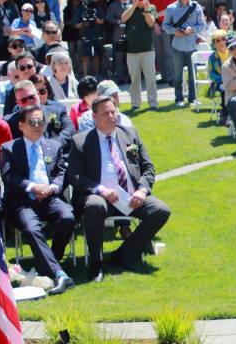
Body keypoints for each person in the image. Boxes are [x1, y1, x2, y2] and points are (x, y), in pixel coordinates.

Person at [66, 95, 171, 279]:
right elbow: (75, 176)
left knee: (161, 210)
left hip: (131, 196)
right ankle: (96, 263)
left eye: (113, 112)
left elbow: (148, 167)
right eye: (105, 113)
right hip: (99, 196)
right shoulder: (81, 141)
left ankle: (126, 253)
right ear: (94, 117)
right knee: (95, 206)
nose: (111, 116)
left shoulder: (130, 134)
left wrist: (142, 190)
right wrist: (101, 190)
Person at [1, 105, 76, 295]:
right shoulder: (10, 148)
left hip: (50, 197)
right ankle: (60, 275)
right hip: (24, 200)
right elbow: (9, 177)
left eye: (41, 122)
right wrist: (32, 186)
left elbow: (62, 172)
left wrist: (53, 187)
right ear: (21, 125)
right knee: (32, 229)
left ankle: (50, 264)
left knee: (67, 217)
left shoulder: (54, 145)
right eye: (32, 122)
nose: (37, 126)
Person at [163, 0, 206, 107]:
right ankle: (179, 99)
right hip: (177, 46)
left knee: (193, 75)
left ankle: (192, 99)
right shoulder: (171, 8)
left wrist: (192, 29)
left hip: (192, 46)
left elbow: (202, 25)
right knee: (177, 75)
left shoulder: (196, 7)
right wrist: (174, 31)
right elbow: (165, 25)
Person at [5, 78, 74, 149]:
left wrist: (51, 147)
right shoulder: (10, 122)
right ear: (18, 103)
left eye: (32, 97)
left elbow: (70, 131)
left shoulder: (58, 110)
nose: (29, 102)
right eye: (24, 100)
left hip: (57, 155)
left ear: (38, 94)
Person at [121, 0, 159, 111]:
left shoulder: (151, 7)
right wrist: (134, 6)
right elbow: (123, 19)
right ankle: (135, 104)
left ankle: (153, 103)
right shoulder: (128, 7)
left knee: (150, 78)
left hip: (148, 49)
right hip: (131, 50)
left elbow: (151, 23)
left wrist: (146, 9)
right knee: (135, 79)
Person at [151, 0, 177, 85]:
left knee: (168, 52)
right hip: (156, 25)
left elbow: (170, 10)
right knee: (159, 52)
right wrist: (155, 23)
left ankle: (172, 77)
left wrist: (157, 14)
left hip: (167, 26)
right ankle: (164, 76)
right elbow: (150, 10)